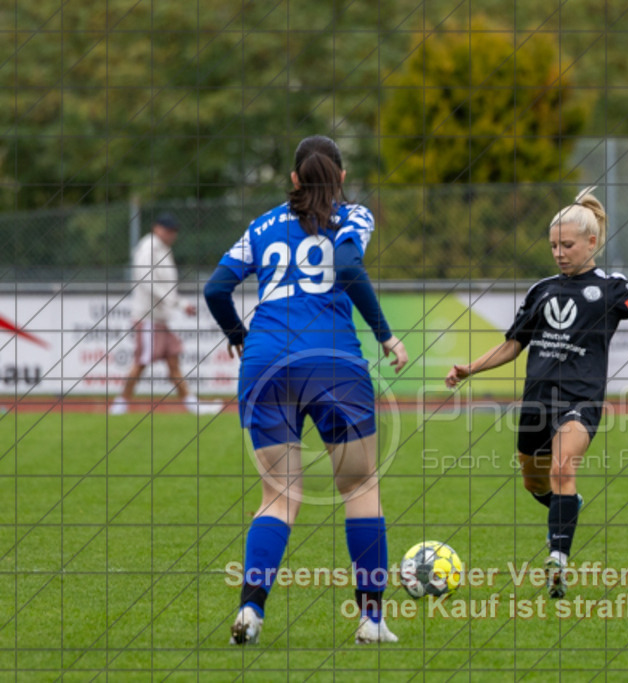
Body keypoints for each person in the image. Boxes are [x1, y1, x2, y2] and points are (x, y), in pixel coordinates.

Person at [445, 188, 628, 599]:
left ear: (591, 241)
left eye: (567, 245)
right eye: (553, 246)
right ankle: (568, 507)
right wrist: (470, 368)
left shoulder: (612, 288)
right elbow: (513, 344)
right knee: (535, 484)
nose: (559, 253)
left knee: (563, 468)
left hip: (581, 401)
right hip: (536, 401)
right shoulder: (541, 290)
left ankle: (558, 561)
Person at [203, 135, 408, 646]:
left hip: (266, 363)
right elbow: (348, 266)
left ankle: (250, 610)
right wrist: (385, 334)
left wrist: (238, 334)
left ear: (294, 179)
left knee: (278, 495)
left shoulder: (261, 225)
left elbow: (216, 288)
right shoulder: (353, 216)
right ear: (341, 177)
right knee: (360, 488)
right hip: (333, 362)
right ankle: (371, 620)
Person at [110, 212, 222, 416]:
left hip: (160, 318)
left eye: (174, 231)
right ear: (157, 228)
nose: (172, 234)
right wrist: (175, 302)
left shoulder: (163, 249)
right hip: (148, 317)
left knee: (173, 358)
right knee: (141, 362)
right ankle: (121, 403)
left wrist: (178, 303)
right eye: (168, 230)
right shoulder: (149, 248)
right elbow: (147, 279)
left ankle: (191, 403)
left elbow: (166, 285)